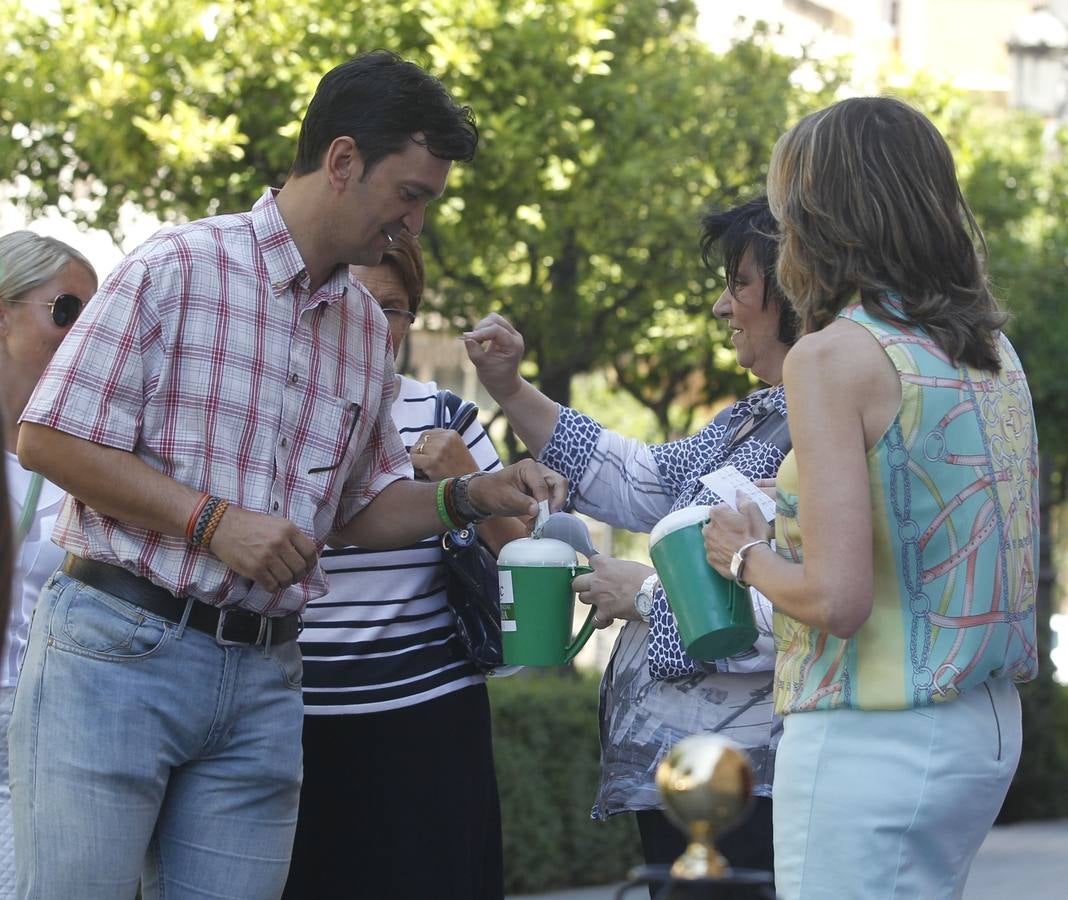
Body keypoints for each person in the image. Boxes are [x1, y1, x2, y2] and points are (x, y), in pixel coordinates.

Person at [10, 51, 565, 900]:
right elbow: (46, 437)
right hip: (120, 652)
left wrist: (468, 495)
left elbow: (355, 513)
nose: (414, 226)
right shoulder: (177, 266)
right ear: (342, 162)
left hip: (269, 677)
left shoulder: (359, 326)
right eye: (409, 196)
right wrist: (212, 521)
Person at [704, 97, 1038, 899]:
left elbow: (836, 598)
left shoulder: (831, 358)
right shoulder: (990, 347)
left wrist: (741, 555)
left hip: (875, 733)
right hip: (980, 724)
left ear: (819, 217)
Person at [464, 196, 798, 882]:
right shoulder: (758, 417)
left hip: (748, 787)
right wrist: (511, 387)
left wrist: (645, 595)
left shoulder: (819, 428)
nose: (721, 306)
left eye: (739, 283)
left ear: (797, 292)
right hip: (694, 784)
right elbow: (644, 477)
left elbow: (793, 612)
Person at [284, 232, 522, 899]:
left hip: (428, 721)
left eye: (393, 308)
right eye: (355, 299)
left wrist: (465, 478)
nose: (373, 321)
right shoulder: (275, 407)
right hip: (292, 717)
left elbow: (524, 548)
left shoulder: (444, 414)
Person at [0, 231, 97, 897]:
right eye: (65, 310)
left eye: (94, 319)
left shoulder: (91, 455)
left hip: (46, 737)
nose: (81, 333)